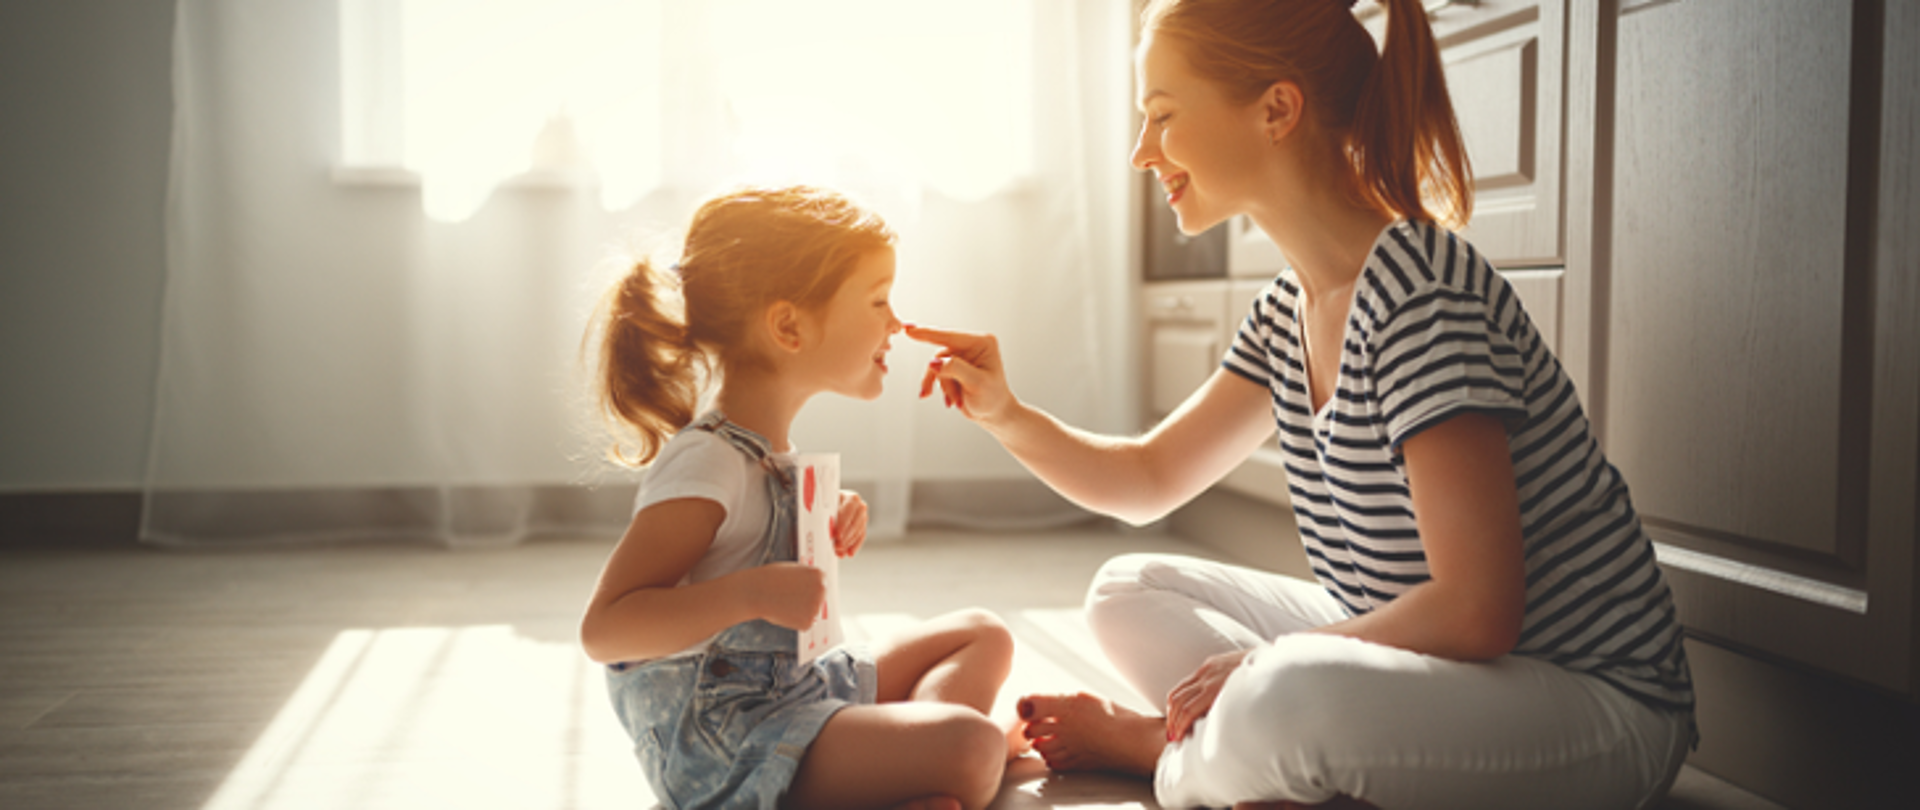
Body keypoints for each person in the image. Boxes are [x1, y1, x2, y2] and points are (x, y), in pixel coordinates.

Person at [907, 0, 1695, 808]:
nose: (1143, 152)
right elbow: (1148, 480)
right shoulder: (1288, 309)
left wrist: (1260, 665)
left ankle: (1162, 749)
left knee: (1289, 696)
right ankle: (1267, 754)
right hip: (1441, 660)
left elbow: (1476, 611)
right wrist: (1007, 412)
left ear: (1277, 109)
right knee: (1124, 589)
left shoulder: (1419, 294)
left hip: (1592, 699)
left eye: (1163, 116)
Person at [579, 185, 1019, 810]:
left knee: (984, 634)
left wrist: (832, 519)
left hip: (798, 688)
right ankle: (932, 766)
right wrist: (748, 594)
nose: (895, 323)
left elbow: (752, 547)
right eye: (877, 301)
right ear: (789, 326)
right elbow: (605, 630)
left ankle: (914, 769)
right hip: (729, 737)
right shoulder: (707, 461)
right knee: (974, 746)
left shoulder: (769, 450)